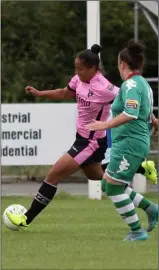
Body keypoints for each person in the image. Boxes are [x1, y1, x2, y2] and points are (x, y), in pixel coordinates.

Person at [6, 43, 157, 232]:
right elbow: (64, 92)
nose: (77, 72)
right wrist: (40, 93)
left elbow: (133, 101)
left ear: (93, 68)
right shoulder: (79, 80)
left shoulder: (105, 88)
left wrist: (153, 118)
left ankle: (26, 219)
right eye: (76, 68)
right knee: (105, 181)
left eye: (81, 69)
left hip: (91, 143)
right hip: (82, 138)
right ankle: (147, 195)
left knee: (54, 175)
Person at [86, 39, 158, 242]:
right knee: (109, 185)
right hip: (130, 142)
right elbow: (145, 109)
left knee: (113, 186)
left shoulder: (131, 84)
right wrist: (154, 120)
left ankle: (137, 231)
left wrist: (104, 125)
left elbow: (131, 112)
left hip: (129, 142)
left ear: (122, 64)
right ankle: (151, 208)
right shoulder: (142, 83)